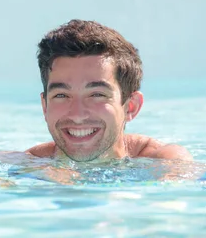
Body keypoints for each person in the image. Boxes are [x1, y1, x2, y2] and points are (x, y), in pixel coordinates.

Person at [25, 19, 192, 163]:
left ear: (131, 107)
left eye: (97, 95)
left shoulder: (161, 160)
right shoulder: (27, 164)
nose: (77, 114)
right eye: (61, 95)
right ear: (45, 106)